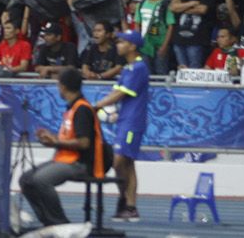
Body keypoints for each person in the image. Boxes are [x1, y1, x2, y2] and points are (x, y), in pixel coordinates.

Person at [19, 69, 110, 227]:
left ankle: (61, 224)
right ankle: (48, 222)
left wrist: (55, 142)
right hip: (67, 159)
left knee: (41, 180)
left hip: (82, 163)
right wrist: (51, 138)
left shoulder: (82, 109)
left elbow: (83, 143)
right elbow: (70, 138)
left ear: (63, 87)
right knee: (26, 180)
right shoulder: (72, 108)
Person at [93, 30, 150, 223]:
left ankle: (127, 202)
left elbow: (120, 94)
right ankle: (127, 204)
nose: (117, 44)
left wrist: (97, 106)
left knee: (120, 161)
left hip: (133, 122)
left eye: (122, 42)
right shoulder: (128, 68)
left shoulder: (139, 68)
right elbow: (116, 91)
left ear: (132, 46)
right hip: (125, 119)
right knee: (126, 163)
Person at [170, 0, 216, 69]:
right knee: (182, 71)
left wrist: (182, 7)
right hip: (179, 39)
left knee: (194, 72)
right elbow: (173, 8)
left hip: (197, 40)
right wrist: (192, 3)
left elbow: (202, 10)